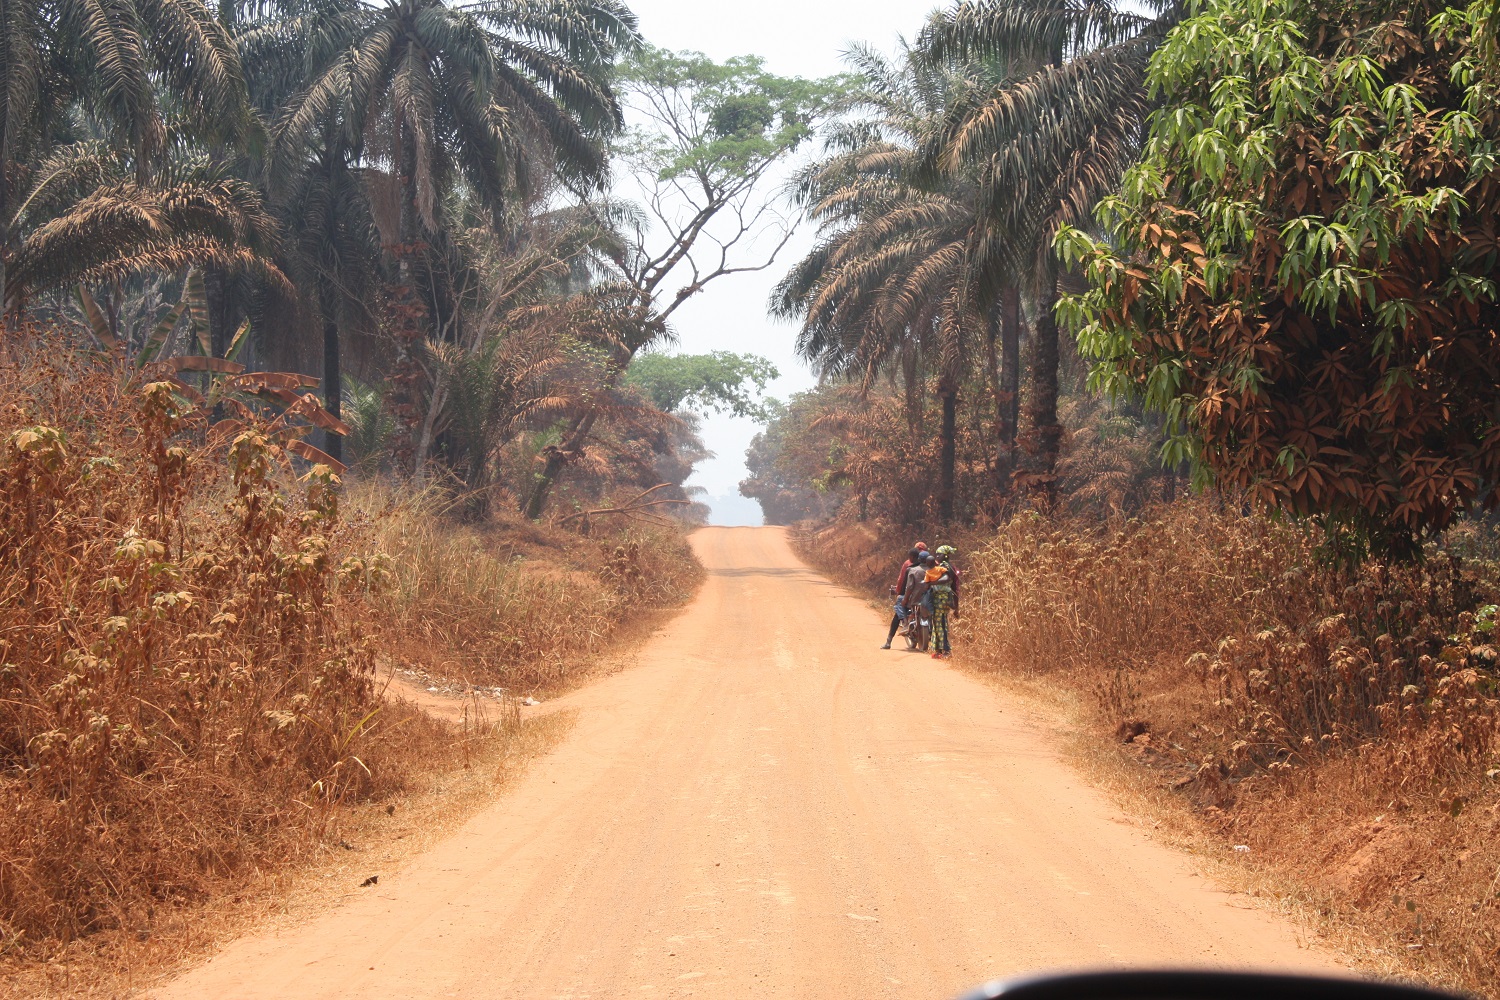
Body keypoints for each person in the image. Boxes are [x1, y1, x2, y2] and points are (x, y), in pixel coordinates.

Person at [882, 546, 923, 649]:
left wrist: (899, 592)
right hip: (925, 597)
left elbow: (903, 583)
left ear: (912, 556)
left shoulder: (909, 566)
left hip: (911, 597)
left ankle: (889, 641)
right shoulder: (930, 565)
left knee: (898, 610)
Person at [923, 559, 957, 659]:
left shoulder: (929, 572)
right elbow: (947, 576)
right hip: (939, 600)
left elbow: (927, 585)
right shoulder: (941, 570)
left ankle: (946, 650)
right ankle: (939, 651)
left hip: (940, 601)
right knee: (937, 625)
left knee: (941, 624)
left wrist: (931, 583)